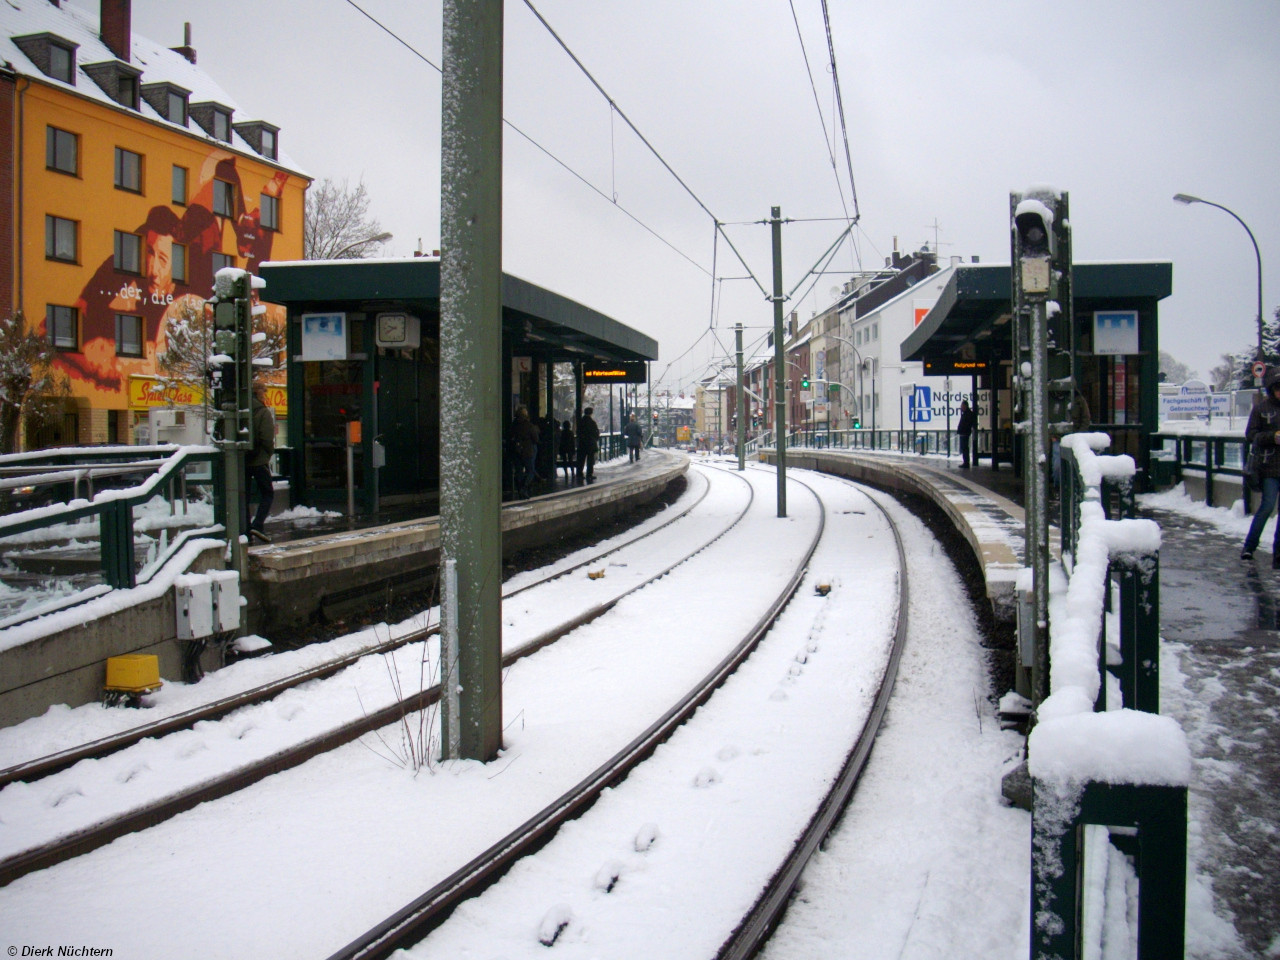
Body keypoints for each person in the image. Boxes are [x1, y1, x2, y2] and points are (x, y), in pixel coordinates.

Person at [1241, 369, 1280, 564]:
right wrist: (1272, 437)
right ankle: (1249, 546)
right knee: (1267, 506)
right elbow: (1251, 435)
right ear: (1272, 389)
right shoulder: (1261, 408)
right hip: (1268, 467)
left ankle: (1278, 552)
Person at [246, 382, 276, 542]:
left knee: (243, 495)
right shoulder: (262, 412)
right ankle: (257, 525)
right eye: (264, 392)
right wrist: (269, 452)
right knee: (267, 492)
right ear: (259, 393)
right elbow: (267, 437)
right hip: (258, 460)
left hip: (242, 459)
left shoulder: (241, 409)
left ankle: (244, 529)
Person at [512, 406, 540, 498]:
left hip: (516, 451)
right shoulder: (529, 425)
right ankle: (524, 487)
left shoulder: (513, 425)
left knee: (519, 471)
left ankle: (520, 488)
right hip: (528, 451)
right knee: (530, 470)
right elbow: (535, 439)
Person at [577, 407, 600, 484]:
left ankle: (579, 473)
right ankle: (589, 474)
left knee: (581, 459)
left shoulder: (580, 422)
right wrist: (594, 439)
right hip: (591, 444)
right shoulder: (592, 423)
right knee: (590, 460)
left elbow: (578, 432)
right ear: (591, 413)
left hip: (582, 444)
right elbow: (597, 433)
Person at [956, 399, 976, 469]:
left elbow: (966, 424)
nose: (961, 407)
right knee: (964, 448)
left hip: (964, 433)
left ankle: (966, 462)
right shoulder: (966, 413)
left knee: (965, 448)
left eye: (962, 405)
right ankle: (965, 462)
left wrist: (962, 430)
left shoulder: (967, 414)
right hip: (964, 433)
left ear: (965, 406)